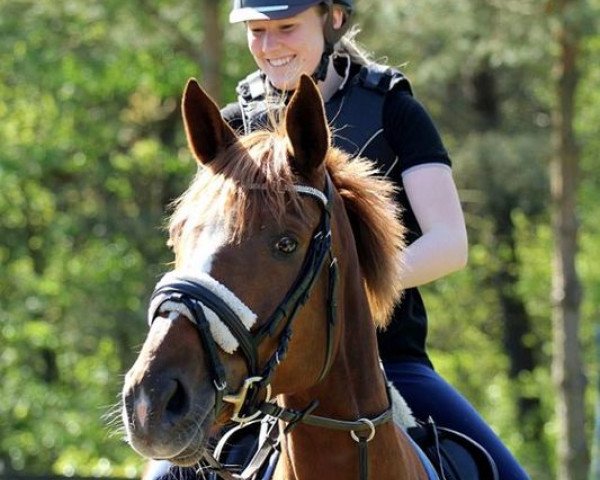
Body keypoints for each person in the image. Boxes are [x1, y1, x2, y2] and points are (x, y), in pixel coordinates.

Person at [218, 1, 531, 479]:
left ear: (333, 19)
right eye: (257, 31)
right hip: (258, 370)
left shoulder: (394, 110)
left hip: (385, 360)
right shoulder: (235, 126)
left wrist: (338, 289)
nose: (269, 46)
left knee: (508, 474)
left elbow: (449, 242)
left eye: (286, 28)